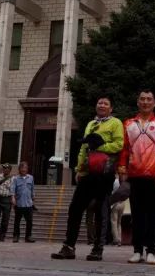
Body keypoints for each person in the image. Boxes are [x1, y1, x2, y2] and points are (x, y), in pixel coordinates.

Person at [51, 96, 124, 262]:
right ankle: (69, 246)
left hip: (104, 173)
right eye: (99, 102)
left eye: (106, 103)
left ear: (111, 108)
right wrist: (79, 168)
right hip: (87, 173)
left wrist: (99, 146)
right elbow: (84, 148)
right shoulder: (91, 124)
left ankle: (97, 248)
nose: (102, 105)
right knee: (75, 208)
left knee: (99, 210)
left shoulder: (115, 123)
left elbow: (119, 144)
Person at [118, 88, 155, 264]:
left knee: (153, 215)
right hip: (135, 176)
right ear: (138, 102)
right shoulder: (128, 124)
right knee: (137, 215)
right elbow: (124, 149)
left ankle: (151, 251)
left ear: (154, 103)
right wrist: (122, 169)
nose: (146, 102)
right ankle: (137, 250)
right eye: (142, 99)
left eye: (149, 99)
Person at [11, 161, 35, 243]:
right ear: (19, 169)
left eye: (25, 168)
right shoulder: (15, 179)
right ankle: (16, 236)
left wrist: (33, 197)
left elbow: (32, 189)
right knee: (17, 221)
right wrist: (13, 198)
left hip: (29, 203)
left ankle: (28, 236)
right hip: (19, 203)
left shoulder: (31, 178)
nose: (24, 169)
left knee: (29, 221)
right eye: (22, 168)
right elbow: (13, 190)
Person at [0, 163, 14, 241]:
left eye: (6, 168)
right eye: (4, 168)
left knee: (5, 219)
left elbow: (13, 190)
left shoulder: (12, 178)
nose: (4, 169)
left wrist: (13, 198)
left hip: (7, 200)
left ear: (9, 170)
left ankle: (2, 235)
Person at [107, 178, 130, 247]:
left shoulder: (115, 181)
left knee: (114, 222)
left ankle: (115, 240)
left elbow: (113, 192)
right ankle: (119, 240)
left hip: (115, 203)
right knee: (119, 223)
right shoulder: (124, 181)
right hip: (122, 203)